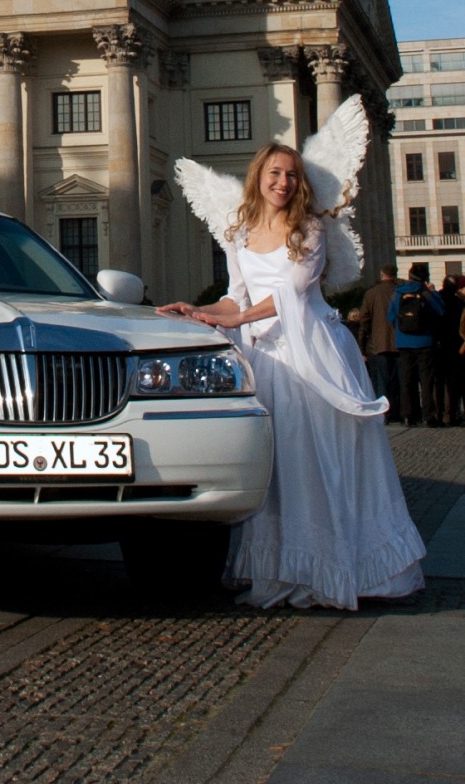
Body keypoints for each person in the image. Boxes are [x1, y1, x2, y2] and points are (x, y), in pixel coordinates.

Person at [157, 143, 425, 610]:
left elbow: (292, 292)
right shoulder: (239, 233)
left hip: (314, 355)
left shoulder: (310, 228)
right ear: (258, 176)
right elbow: (236, 298)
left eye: (292, 175)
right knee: (278, 467)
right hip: (268, 359)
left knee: (320, 459)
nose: (284, 182)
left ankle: (338, 566)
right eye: (276, 173)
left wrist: (236, 321)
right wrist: (200, 310)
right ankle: (283, 567)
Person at [387, 263, 444, 427]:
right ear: (425, 278)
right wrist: (433, 292)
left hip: (404, 342)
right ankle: (428, 415)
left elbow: (390, 317)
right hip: (425, 340)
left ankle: (409, 415)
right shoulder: (425, 292)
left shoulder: (398, 292)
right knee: (426, 381)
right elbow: (440, 311)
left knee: (406, 380)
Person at [358, 263, 401, 422]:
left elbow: (364, 321)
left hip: (378, 344)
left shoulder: (371, 293)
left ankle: (384, 413)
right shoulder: (400, 291)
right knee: (399, 381)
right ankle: (400, 411)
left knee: (382, 381)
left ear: (382, 274)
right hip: (400, 343)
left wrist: (362, 346)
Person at [433, 275, 465, 425]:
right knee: (453, 382)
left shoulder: (435, 298)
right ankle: (451, 414)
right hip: (455, 346)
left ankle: (439, 414)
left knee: (438, 382)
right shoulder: (458, 302)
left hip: (436, 344)